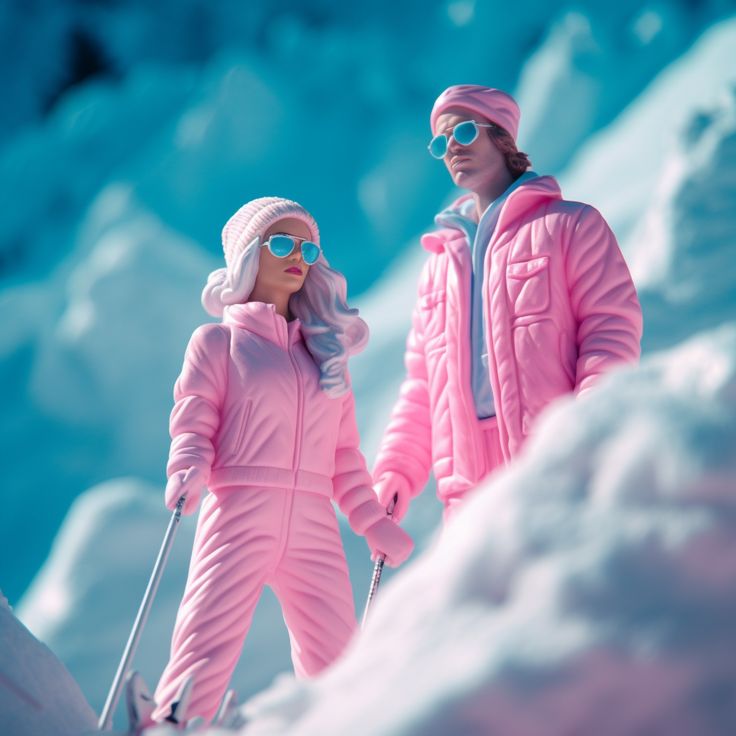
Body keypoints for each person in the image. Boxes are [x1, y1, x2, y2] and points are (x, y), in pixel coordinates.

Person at [152, 196, 413, 724]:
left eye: (307, 247)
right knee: (205, 645)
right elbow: (194, 419)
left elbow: (343, 456)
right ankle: (171, 726)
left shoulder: (327, 356)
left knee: (338, 656)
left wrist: (371, 523)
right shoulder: (218, 343)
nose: (298, 255)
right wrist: (188, 467)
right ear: (249, 255)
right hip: (240, 509)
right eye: (281, 243)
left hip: (313, 522)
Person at [373, 85, 643, 524]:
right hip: (464, 492)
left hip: (553, 466)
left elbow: (610, 333)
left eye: (463, 131)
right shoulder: (438, 267)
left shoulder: (570, 227)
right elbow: (422, 385)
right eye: (441, 142)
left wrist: (586, 428)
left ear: (501, 136)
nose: (452, 149)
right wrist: (396, 468)